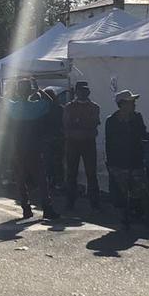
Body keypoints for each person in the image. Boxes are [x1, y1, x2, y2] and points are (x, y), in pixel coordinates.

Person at [6, 80, 56, 219]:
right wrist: (38, 90)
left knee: (20, 179)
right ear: (30, 91)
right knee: (41, 178)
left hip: (17, 146)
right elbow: (51, 101)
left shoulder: (12, 106)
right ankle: (47, 207)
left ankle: (26, 208)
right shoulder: (37, 107)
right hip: (34, 145)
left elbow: (5, 100)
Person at [104, 90, 149, 227]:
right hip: (118, 161)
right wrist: (110, 161)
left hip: (135, 159)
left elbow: (142, 133)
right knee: (121, 191)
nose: (134, 104)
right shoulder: (111, 121)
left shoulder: (137, 117)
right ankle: (125, 216)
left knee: (140, 190)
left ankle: (143, 216)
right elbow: (109, 142)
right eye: (131, 102)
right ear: (122, 104)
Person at [62, 81, 102, 212]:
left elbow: (93, 123)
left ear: (88, 92)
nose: (83, 93)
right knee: (71, 173)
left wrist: (78, 122)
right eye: (80, 90)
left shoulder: (94, 106)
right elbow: (67, 123)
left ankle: (95, 202)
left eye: (85, 90)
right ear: (76, 92)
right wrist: (82, 122)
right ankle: (70, 201)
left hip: (87, 141)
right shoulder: (70, 106)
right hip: (74, 141)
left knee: (91, 173)